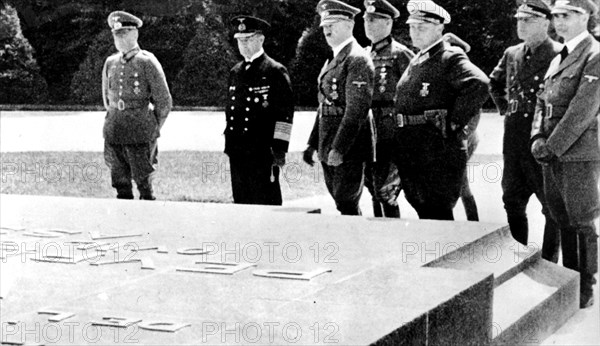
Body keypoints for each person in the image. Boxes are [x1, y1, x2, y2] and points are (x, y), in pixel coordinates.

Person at [392, 0, 489, 220]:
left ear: (439, 28)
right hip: (413, 148)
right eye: (412, 26)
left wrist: (454, 121)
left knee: (438, 216)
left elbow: (479, 83)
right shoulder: (419, 58)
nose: (415, 32)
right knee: (426, 214)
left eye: (422, 27)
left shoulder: (448, 56)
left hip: (436, 151)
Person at [530, 0, 600, 308]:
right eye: (556, 16)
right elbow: (541, 101)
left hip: (577, 154)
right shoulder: (560, 54)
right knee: (561, 217)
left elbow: (582, 109)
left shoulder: (594, 55)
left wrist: (551, 146)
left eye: (567, 15)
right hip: (551, 152)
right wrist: (536, 136)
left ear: (585, 16)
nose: (559, 21)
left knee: (581, 220)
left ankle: (584, 287)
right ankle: (570, 280)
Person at [489, 0, 561, 257]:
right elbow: (493, 83)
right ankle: (517, 259)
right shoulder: (512, 53)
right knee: (512, 201)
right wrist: (506, 107)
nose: (521, 24)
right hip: (514, 139)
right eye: (519, 19)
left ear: (546, 22)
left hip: (543, 138)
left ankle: (549, 262)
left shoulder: (559, 53)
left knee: (551, 207)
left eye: (528, 20)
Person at [303, 0, 376, 216]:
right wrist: (312, 143)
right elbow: (324, 106)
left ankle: (355, 246)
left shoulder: (357, 59)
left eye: (332, 25)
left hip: (349, 147)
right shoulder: (334, 59)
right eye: (325, 26)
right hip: (329, 142)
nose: (327, 30)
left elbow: (356, 111)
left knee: (347, 202)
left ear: (348, 25)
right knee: (342, 203)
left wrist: (340, 148)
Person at [102, 11, 172, 200]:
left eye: (124, 33)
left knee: (143, 181)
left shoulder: (147, 61)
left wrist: (152, 126)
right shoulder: (111, 62)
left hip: (140, 130)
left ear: (135, 34)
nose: (120, 39)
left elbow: (164, 101)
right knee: (120, 181)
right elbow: (107, 99)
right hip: (115, 129)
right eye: (117, 35)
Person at [225, 16, 294, 205]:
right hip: (238, 149)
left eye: (248, 39)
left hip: (262, 150)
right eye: (240, 40)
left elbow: (285, 114)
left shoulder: (274, 71)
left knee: (265, 199)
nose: (243, 44)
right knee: (241, 199)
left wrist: (279, 149)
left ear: (261, 40)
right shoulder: (235, 72)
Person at [362, 0, 414, 218]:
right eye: (366, 20)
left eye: (374, 20)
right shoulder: (363, 54)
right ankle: (378, 232)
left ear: (388, 24)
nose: (368, 24)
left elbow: (412, 89)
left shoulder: (400, 54)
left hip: (389, 131)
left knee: (385, 190)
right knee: (371, 187)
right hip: (367, 130)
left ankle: (393, 233)